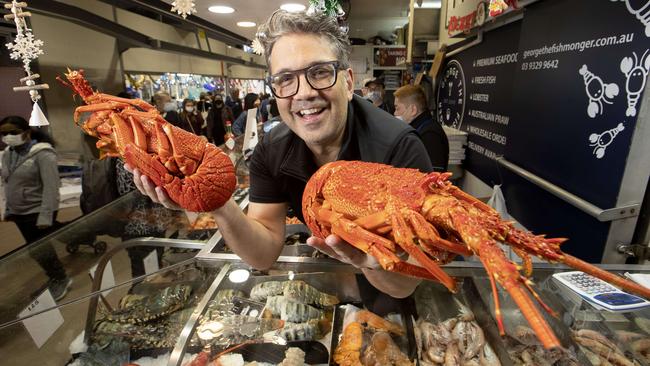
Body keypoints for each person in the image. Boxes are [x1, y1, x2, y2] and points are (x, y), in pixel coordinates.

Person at [129, 9, 434, 298]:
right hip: (322, 277)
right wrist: (218, 204)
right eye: (285, 79)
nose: (303, 92)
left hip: (384, 289)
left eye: (320, 72)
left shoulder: (399, 147)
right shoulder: (272, 150)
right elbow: (263, 254)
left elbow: (405, 286)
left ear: (349, 81)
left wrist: (370, 262)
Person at [0, 116, 72, 300]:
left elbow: (51, 187)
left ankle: (61, 278)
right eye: (4, 133)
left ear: (27, 132)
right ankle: (54, 277)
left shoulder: (43, 154)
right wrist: (8, 209)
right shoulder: (8, 153)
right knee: (36, 249)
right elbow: (8, 182)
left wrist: (45, 216)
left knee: (40, 249)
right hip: (19, 212)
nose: (8, 136)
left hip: (37, 210)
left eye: (13, 132)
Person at [394, 84, 449, 172]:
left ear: (413, 110)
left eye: (397, 108)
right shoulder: (417, 128)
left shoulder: (430, 134)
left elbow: (434, 174)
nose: (395, 113)